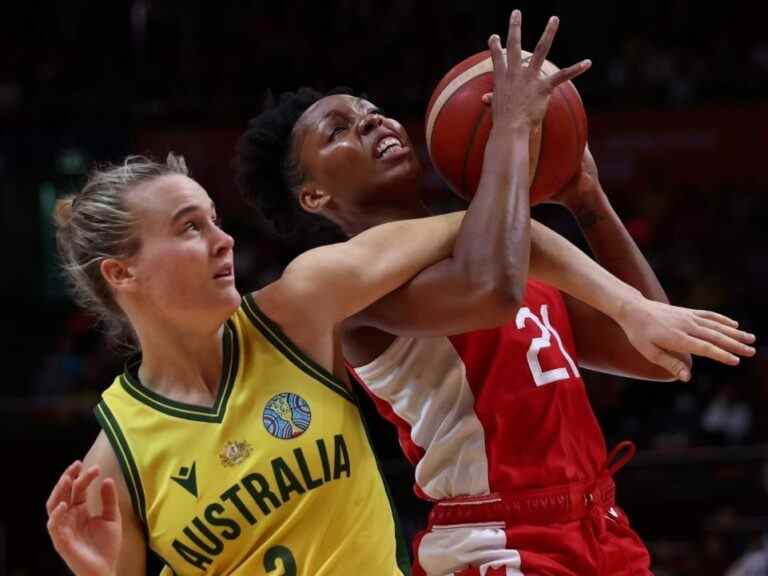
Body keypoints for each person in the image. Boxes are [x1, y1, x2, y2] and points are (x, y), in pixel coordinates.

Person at [237, 10, 756, 576]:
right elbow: (490, 290)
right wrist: (509, 128)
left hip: (600, 525)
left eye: (371, 110)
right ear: (312, 196)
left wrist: (586, 200)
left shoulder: (504, 242)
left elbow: (658, 353)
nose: (372, 122)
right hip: (497, 541)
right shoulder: (350, 287)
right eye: (339, 130)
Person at [44, 153, 470, 576]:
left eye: (215, 220)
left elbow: (466, 227)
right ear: (120, 273)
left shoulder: (296, 314)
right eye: (191, 227)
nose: (224, 239)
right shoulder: (112, 463)